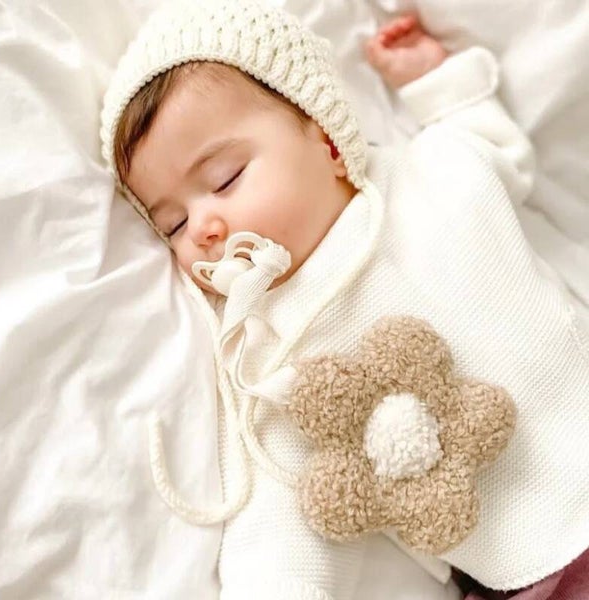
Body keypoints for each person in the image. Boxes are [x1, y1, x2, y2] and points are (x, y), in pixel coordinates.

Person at [100, 1, 589, 598]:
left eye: (225, 178)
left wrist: (435, 79)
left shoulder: (429, 174)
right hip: (531, 575)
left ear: (329, 142)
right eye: (172, 224)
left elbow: (492, 145)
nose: (203, 227)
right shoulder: (269, 348)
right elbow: (278, 508)